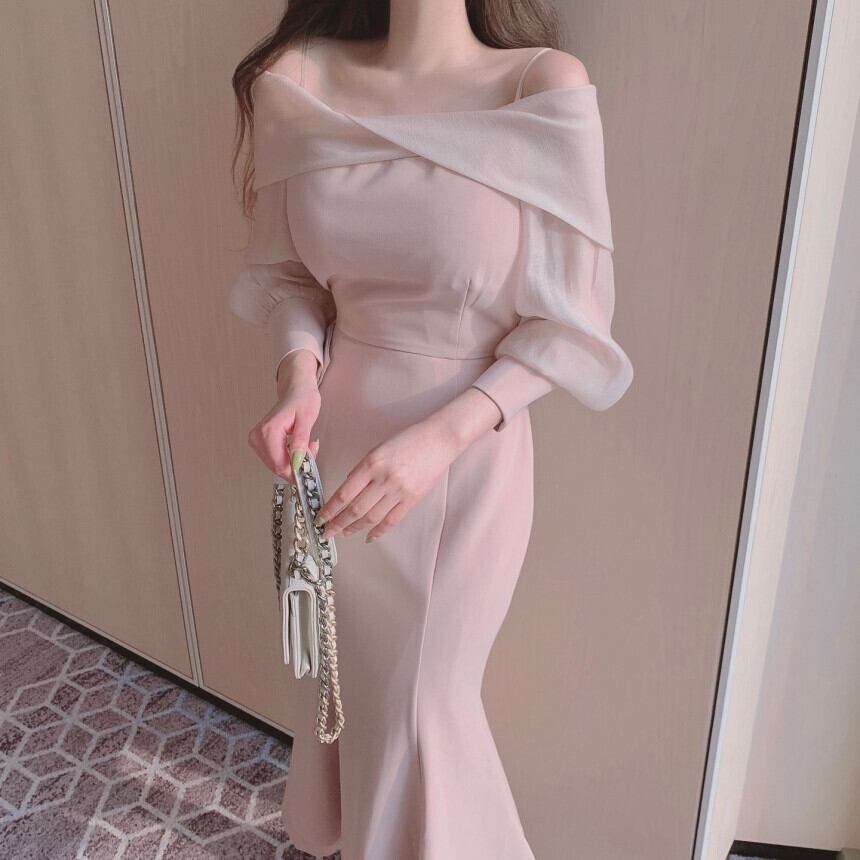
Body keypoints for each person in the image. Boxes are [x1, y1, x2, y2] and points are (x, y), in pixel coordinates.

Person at [228, 2, 633, 857]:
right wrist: (297, 374)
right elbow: (293, 277)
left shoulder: (538, 86)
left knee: (424, 707)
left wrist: (443, 439)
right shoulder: (295, 78)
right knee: (343, 679)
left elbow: (572, 322)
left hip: (463, 462)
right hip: (330, 447)